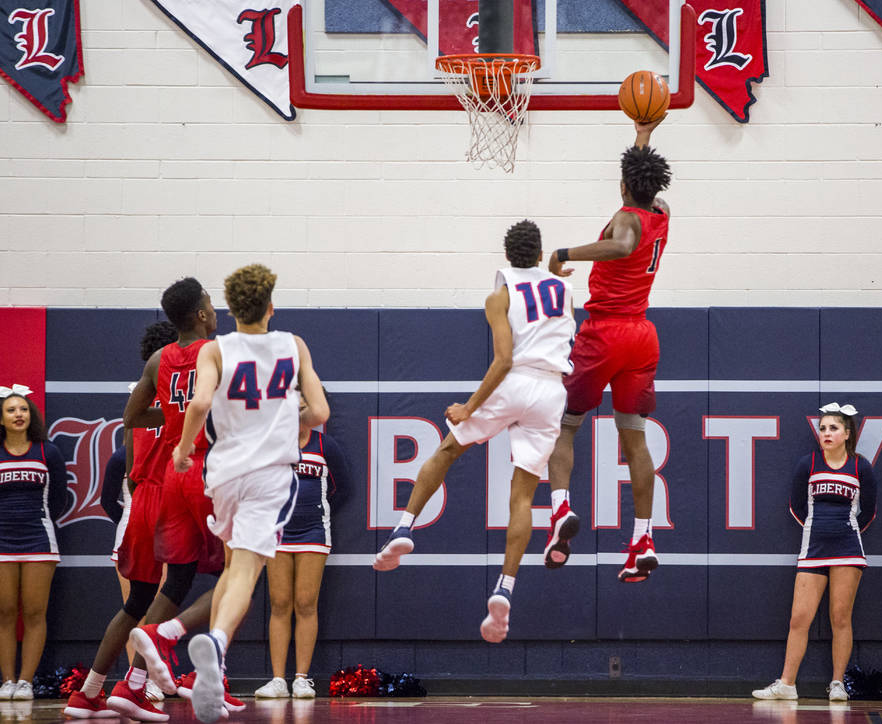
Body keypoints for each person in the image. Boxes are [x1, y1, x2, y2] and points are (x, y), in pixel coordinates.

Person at [374, 220, 575, 643]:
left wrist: (469, 407)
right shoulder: (564, 289)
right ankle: (505, 588)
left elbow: (502, 361)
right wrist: (555, 268)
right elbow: (550, 286)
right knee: (523, 494)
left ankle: (404, 528)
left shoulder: (499, 295)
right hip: (553, 389)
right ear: (540, 254)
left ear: (507, 258)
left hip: (516, 380)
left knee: (447, 449)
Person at [172, 264, 328, 724]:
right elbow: (319, 412)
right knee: (245, 569)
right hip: (270, 476)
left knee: (230, 566)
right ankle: (217, 644)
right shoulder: (293, 345)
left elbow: (199, 404)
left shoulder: (214, 349)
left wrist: (183, 451)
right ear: (270, 307)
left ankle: (215, 670)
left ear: (229, 309)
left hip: (223, 474)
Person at [544, 117, 672, 583]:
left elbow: (620, 243)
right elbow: (643, 181)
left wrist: (564, 254)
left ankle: (560, 513)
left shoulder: (626, 221)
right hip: (642, 336)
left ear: (622, 185)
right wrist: (643, 135)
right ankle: (643, 539)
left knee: (564, 426)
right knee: (634, 438)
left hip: (605, 334)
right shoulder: (662, 212)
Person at [99, 278, 229, 722]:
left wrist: (172, 413)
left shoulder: (159, 359)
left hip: (173, 478)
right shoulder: (218, 353)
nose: (215, 310)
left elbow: (132, 416)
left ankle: (132, 683)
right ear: (200, 314)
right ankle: (177, 643)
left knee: (176, 582)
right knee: (241, 573)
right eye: (210, 304)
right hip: (208, 472)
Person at [65, 321, 187, 720]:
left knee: (138, 601)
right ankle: (135, 684)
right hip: (168, 497)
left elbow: (130, 467)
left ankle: (89, 692)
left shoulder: (139, 398)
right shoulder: (181, 397)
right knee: (185, 591)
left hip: (141, 498)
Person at [752, 403, 877, 702]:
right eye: (822, 429)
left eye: (833, 428)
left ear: (847, 433)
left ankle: (837, 683)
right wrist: (818, 529)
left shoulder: (861, 467)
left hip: (847, 549)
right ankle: (787, 683)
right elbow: (797, 507)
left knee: (840, 617)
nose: (827, 433)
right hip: (813, 549)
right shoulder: (807, 464)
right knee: (799, 618)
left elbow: (868, 512)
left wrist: (843, 531)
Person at [255, 392, 349, 700]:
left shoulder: (325, 446)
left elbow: (341, 488)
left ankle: (301, 678)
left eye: (302, 409)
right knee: (280, 603)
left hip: (313, 532)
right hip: (278, 532)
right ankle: (278, 679)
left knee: (306, 604)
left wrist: (316, 512)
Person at [0, 385, 69, 701]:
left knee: (33, 613)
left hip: (39, 539)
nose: (18, 415)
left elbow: (58, 499)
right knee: (4, 612)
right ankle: (7, 681)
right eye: (11, 410)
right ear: (1, 418)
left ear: (32, 415)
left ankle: (26, 681)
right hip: (2, 542)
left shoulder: (47, 451)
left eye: (23, 409)